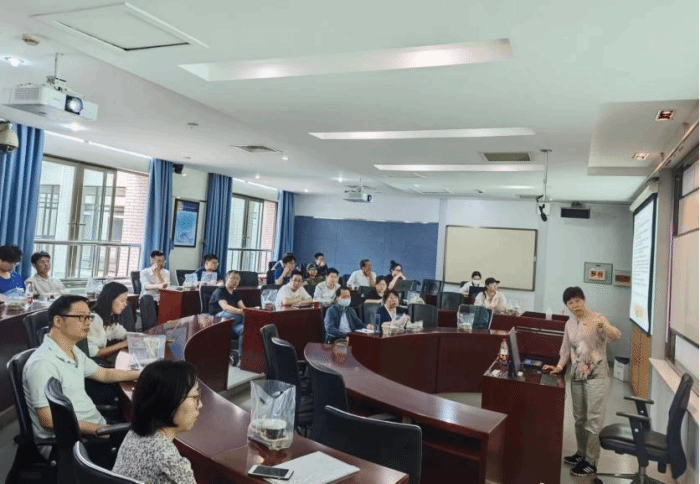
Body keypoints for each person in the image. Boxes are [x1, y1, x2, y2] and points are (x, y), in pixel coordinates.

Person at [22, 296, 139, 449]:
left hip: (95, 428)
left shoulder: (72, 350)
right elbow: (48, 420)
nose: (88, 322)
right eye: (81, 317)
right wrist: (103, 431)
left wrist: (142, 374)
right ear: (58, 321)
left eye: (89, 317)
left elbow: (104, 374)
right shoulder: (42, 364)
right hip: (71, 444)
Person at [543, 287, 621, 478]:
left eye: (577, 301)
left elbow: (615, 335)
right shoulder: (569, 323)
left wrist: (605, 325)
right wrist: (559, 366)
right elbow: (565, 349)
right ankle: (581, 453)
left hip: (597, 376)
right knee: (579, 418)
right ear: (567, 306)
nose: (575, 305)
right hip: (577, 376)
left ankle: (591, 462)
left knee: (593, 419)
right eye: (570, 303)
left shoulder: (597, 318)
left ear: (584, 300)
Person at [112, 360, 200, 484]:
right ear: (171, 403)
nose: (200, 405)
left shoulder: (133, 434)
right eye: (195, 397)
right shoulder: (170, 462)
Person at [88, 282, 129, 358]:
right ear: (110, 299)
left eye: (126, 301)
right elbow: (94, 353)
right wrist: (122, 344)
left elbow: (123, 334)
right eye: (122, 300)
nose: (125, 304)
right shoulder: (94, 319)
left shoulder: (109, 319)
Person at [208, 270, 246, 354]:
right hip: (218, 317)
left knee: (245, 329)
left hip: (232, 320)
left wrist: (248, 312)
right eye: (232, 278)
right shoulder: (220, 291)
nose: (235, 281)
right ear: (226, 279)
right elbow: (225, 307)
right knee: (240, 316)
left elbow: (243, 307)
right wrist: (242, 312)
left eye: (237, 279)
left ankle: (241, 358)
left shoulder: (236, 294)